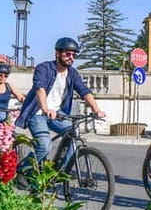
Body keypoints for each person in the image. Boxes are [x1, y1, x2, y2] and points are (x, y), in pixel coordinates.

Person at [15, 37, 105, 165]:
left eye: (74, 55)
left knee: (74, 136)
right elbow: (40, 89)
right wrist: (45, 109)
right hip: (37, 113)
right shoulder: (44, 68)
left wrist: (97, 110)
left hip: (57, 113)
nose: (71, 57)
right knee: (45, 146)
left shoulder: (72, 73)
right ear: (57, 53)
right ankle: (23, 171)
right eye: (68, 54)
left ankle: (59, 170)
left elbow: (84, 91)